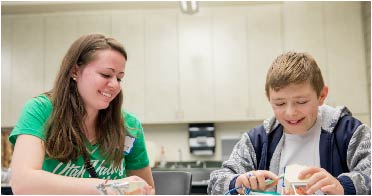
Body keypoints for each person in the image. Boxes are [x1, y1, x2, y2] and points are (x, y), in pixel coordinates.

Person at [9, 34, 155, 194]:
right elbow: (22, 182)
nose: (114, 85)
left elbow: (147, 190)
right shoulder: (40, 109)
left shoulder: (130, 126)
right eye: (106, 75)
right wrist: (108, 188)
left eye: (119, 78)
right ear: (75, 71)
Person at [208, 51, 371, 195]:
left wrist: (344, 186)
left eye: (301, 101)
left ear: (321, 95)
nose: (291, 112)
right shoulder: (258, 140)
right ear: (268, 98)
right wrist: (238, 182)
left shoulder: (349, 132)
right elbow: (216, 183)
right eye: (279, 104)